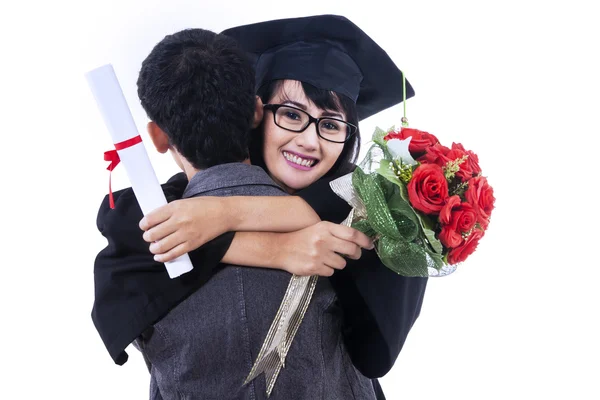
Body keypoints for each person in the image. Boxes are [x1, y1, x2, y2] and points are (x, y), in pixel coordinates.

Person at [93, 15, 427, 400]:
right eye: (291, 114)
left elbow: (376, 352)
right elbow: (127, 220)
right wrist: (273, 247)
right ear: (257, 112)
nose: (308, 141)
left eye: (331, 125)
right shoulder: (167, 209)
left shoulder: (367, 213)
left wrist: (224, 215)